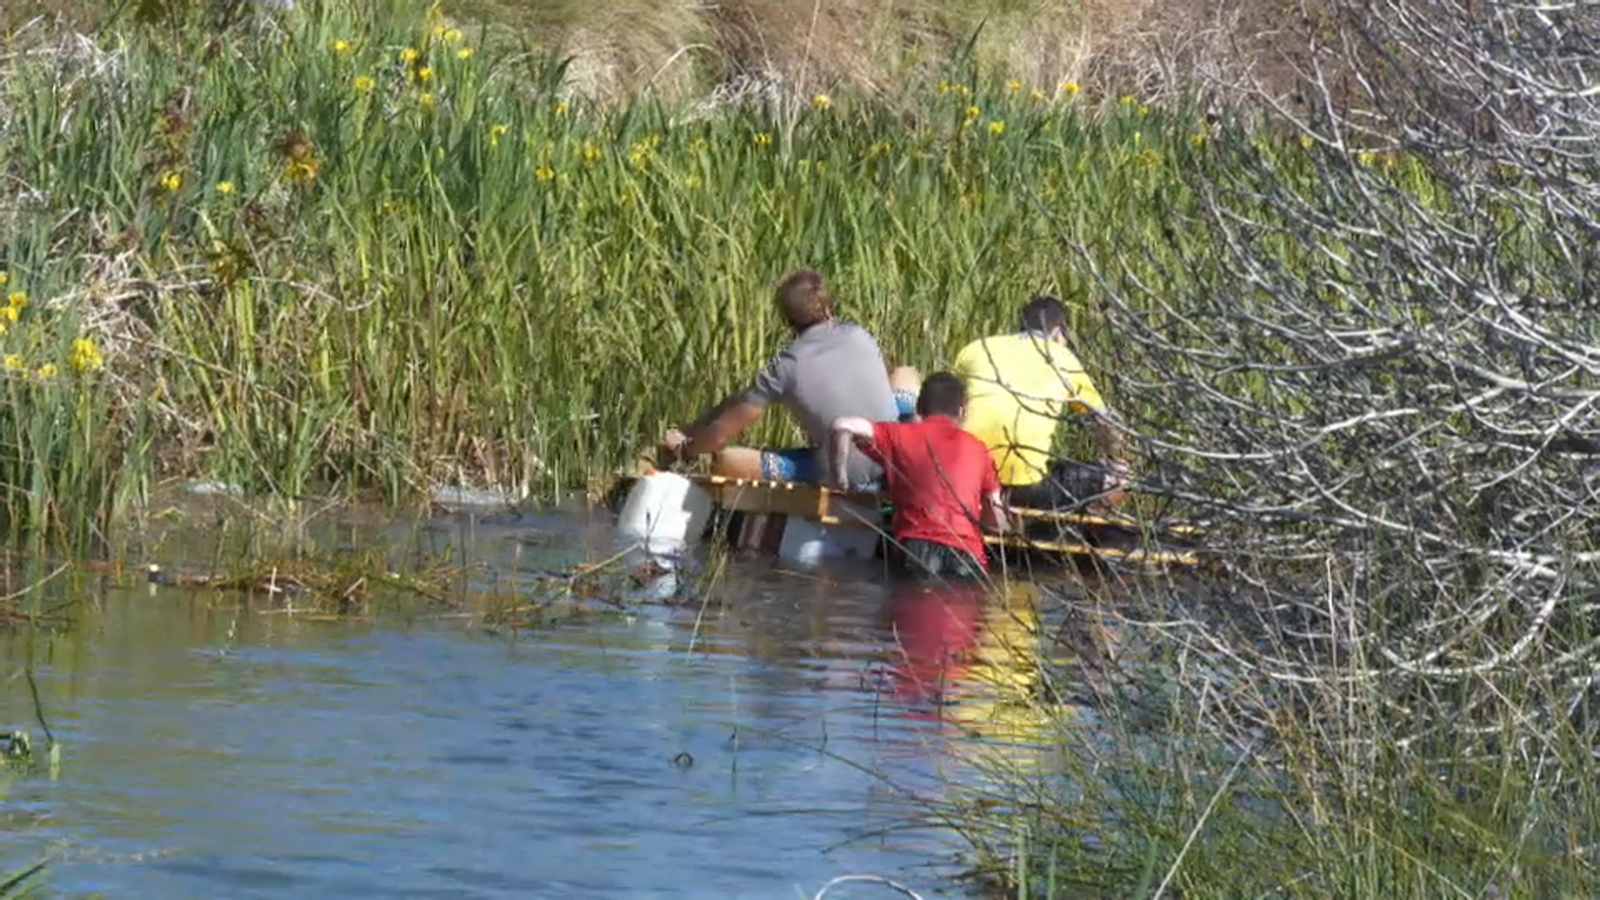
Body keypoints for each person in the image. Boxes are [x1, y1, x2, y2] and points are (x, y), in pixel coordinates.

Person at [661, 269, 909, 489]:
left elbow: (718, 437)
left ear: (786, 319)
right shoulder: (860, 334)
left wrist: (686, 448)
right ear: (827, 307)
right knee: (905, 375)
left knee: (728, 460)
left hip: (844, 472)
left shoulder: (786, 366)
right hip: (897, 459)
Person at [951, 294, 1130, 512]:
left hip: (964, 478)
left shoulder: (976, 348)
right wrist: (1112, 457)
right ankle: (1073, 524)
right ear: (1058, 331)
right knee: (1122, 477)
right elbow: (1105, 422)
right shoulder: (1063, 357)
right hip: (1023, 488)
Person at [828, 373, 1009, 580]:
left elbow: (843, 425)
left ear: (919, 406)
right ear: (962, 411)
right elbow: (996, 521)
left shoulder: (898, 435)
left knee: (907, 598)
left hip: (916, 549)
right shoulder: (979, 449)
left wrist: (840, 477)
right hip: (966, 553)